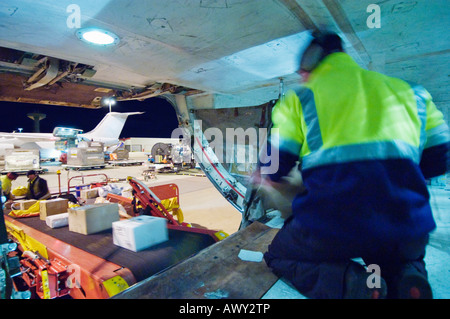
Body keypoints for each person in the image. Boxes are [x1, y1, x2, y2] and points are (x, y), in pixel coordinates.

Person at [260, 31, 449, 299]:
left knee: (278, 255)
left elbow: (273, 166)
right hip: (407, 229)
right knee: (393, 249)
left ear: (310, 62)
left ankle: (356, 286)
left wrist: (265, 176)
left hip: (333, 228)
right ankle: (408, 275)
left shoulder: (300, 98)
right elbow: (440, 159)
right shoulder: (414, 92)